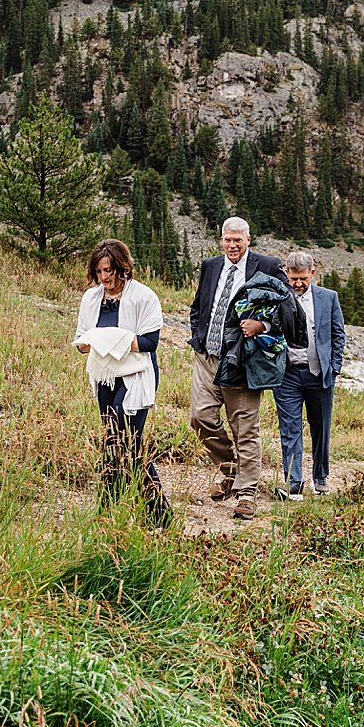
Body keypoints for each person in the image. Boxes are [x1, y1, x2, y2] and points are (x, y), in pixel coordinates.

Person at [187, 217, 285, 518]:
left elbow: (289, 307)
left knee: (244, 427)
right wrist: (198, 337)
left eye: (237, 240)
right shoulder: (211, 266)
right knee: (200, 417)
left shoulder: (267, 266)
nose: (232, 245)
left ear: (248, 240)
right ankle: (231, 469)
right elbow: (198, 306)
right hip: (207, 356)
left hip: (242, 360)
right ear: (221, 240)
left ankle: (246, 493)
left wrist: (263, 324)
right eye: (227, 240)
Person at [73, 238, 167, 524]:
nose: (106, 278)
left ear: (123, 268)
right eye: (100, 272)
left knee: (129, 440)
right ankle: (118, 511)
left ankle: (150, 512)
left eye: (110, 271)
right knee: (114, 441)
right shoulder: (91, 298)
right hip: (104, 376)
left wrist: (109, 339)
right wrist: (96, 342)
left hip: (136, 375)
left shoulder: (143, 296)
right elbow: (81, 341)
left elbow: (149, 342)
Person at [273, 251, 346, 498]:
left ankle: (321, 477)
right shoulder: (278, 297)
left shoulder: (329, 298)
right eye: (293, 278)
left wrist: (334, 367)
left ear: (312, 274)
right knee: (290, 429)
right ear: (287, 275)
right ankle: (294, 482)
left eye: (303, 278)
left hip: (320, 374)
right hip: (287, 375)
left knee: (321, 428)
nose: (298, 284)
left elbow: (338, 334)